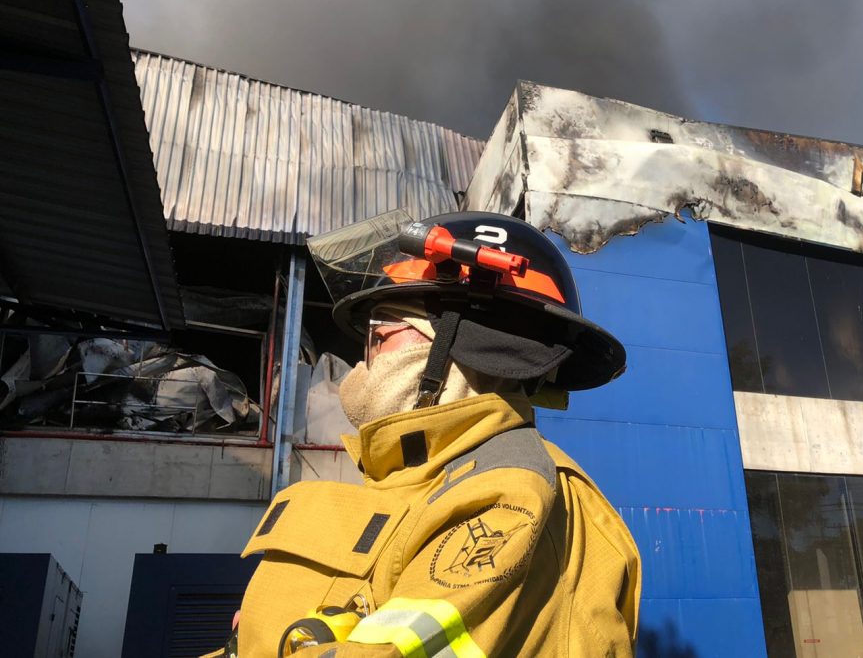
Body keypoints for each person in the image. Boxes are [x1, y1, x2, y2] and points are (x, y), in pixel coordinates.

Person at [224, 211, 640, 657]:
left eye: (379, 333)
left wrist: (262, 636)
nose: (365, 360)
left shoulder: (506, 492)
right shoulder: (430, 478)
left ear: (469, 343)